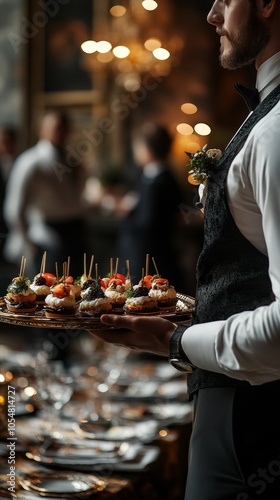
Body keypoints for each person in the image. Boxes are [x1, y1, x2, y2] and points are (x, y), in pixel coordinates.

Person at [89, 0, 280, 498]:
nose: (213, 15)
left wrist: (175, 342)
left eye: (225, 0)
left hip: (249, 415)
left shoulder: (275, 133)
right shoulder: (263, 118)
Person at [3, 111, 88, 277]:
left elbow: (79, 194)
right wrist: (29, 243)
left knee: (79, 285)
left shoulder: (72, 159)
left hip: (76, 230)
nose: (62, 131)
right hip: (49, 234)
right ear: (42, 130)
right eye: (57, 127)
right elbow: (14, 208)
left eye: (65, 127)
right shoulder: (30, 162)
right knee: (52, 290)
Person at [117, 122, 187, 290]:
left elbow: (148, 224)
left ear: (146, 149)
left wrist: (124, 213)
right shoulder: (156, 177)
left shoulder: (158, 182)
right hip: (150, 254)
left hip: (147, 259)